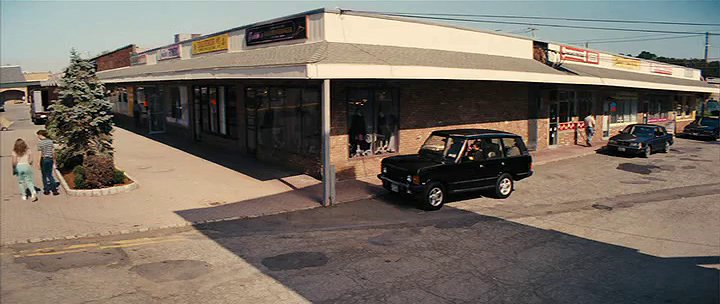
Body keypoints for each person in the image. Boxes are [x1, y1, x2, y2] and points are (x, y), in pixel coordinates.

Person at [36, 130, 59, 195]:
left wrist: (38, 163)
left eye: (38, 135)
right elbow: (53, 152)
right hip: (50, 159)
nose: (38, 137)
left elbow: (40, 153)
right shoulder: (50, 141)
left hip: (44, 159)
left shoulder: (40, 143)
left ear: (41, 135)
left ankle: (46, 190)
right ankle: (54, 190)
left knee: (44, 175)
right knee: (50, 174)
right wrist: (54, 161)